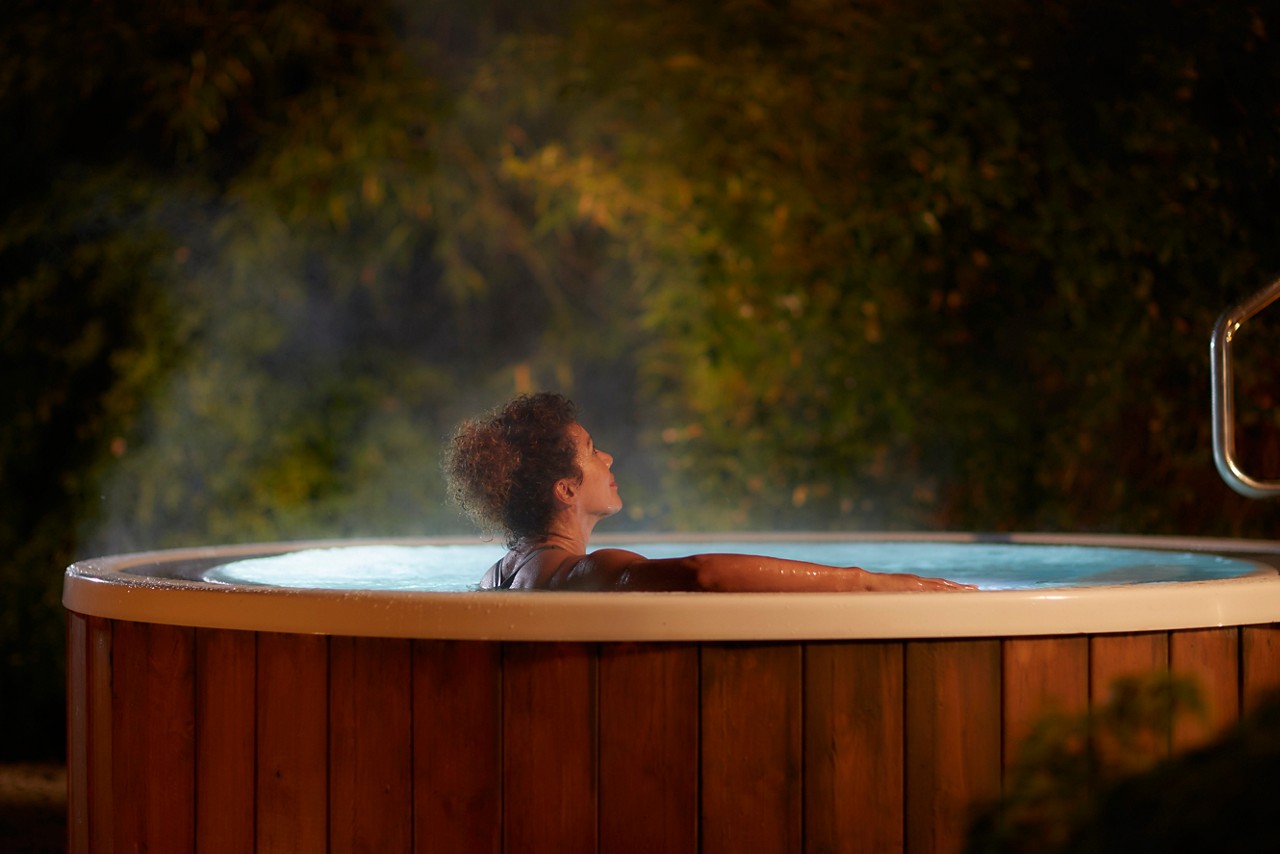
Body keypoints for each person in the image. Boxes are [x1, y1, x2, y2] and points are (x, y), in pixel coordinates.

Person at [443, 392, 974, 592]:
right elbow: (704, 573)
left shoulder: (504, 573)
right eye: (591, 451)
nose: (608, 459)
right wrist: (864, 583)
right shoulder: (577, 572)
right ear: (565, 489)